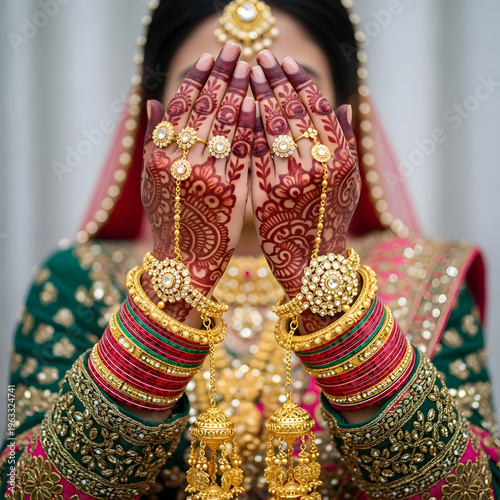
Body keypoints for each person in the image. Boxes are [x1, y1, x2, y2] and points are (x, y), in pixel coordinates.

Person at [1, 0, 498, 498]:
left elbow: (475, 490)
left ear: (345, 120)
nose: (254, 122)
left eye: (289, 94)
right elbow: (24, 489)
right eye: (211, 95)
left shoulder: (430, 277)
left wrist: (323, 283)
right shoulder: (77, 280)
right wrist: (177, 284)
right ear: (155, 119)